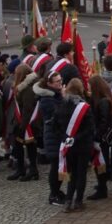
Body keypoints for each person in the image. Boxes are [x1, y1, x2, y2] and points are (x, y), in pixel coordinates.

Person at [57, 79, 96, 212]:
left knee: (71, 173)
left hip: (68, 144)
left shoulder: (62, 105)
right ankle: (78, 201)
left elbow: (56, 125)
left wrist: (66, 138)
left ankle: (68, 200)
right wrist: (77, 137)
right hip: (83, 144)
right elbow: (90, 128)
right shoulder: (84, 106)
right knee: (81, 173)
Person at [35, 70, 66, 205]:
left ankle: (57, 191)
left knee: (58, 166)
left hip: (57, 135)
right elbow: (58, 114)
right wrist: (65, 98)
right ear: (49, 84)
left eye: (61, 80)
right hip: (53, 136)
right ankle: (53, 194)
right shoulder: (47, 99)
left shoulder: (55, 95)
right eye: (57, 82)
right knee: (55, 167)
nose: (61, 84)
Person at [7, 63, 40, 182]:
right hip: (21, 121)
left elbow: (27, 109)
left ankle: (32, 170)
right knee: (19, 147)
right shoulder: (24, 86)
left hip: (26, 123)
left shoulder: (28, 89)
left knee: (29, 147)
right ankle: (22, 169)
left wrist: (22, 126)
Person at [87, 75, 112, 201]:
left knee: (101, 163)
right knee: (99, 163)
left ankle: (103, 188)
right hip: (99, 135)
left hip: (101, 138)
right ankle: (101, 185)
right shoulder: (98, 99)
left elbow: (104, 122)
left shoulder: (103, 102)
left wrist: (97, 137)